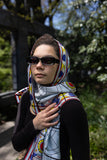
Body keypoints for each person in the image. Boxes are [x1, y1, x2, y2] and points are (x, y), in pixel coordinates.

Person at [12, 34, 90, 160]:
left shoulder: (71, 107)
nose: (38, 65)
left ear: (61, 66)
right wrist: (34, 125)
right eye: (33, 60)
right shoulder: (28, 97)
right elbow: (17, 144)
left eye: (47, 60)